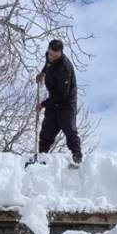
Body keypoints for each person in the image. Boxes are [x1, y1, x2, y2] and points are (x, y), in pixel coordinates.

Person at [34, 39, 83, 167]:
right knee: (46, 132)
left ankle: (77, 157)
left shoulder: (64, 68)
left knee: (69, 129)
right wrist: (43, 73)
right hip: (53, 99)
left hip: (66, 101)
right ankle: (40, 158)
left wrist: (43, 104)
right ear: (48, 49)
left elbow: (62, 94)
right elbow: (48, 64)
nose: (52, 58)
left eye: (55, 56)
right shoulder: (49, 57)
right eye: (50, 54)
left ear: (61, 53)